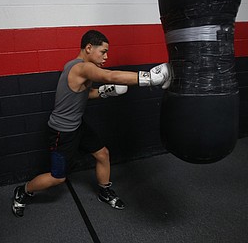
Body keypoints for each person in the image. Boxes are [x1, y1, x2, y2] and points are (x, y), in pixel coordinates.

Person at [12, 30, 172, 217]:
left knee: (103, 154)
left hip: (77, 124)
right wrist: (150, 78)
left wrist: (104, 92)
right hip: (62, 132)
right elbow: (109, 76)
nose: (106, 56)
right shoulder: (82, 68)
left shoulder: (74, 67)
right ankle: (23, 191)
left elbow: (84, 94)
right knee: (58, 177)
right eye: (103, 52)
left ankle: (104, 191)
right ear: (89, 48)